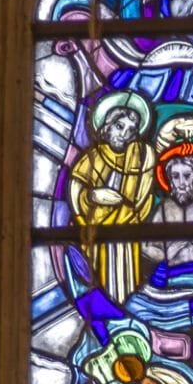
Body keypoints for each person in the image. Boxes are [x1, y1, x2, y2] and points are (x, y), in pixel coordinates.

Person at [69, 92, 157, 303]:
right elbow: (75, 191)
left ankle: (125, 307)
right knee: (100, 280)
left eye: (130, 131)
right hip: (97, 231)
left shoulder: (138, 160)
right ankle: (104, 304)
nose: (124, 135)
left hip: (126, 233)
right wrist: (92, 196)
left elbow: (142, 199)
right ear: (107, 126)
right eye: (119, 127)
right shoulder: (93, 157)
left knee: (126, 281)